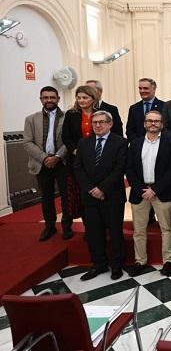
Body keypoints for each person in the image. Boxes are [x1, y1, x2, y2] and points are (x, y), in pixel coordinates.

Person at [74, 110, 128, 281]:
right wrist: (91, 189)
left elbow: (120, 169)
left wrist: (102, 189)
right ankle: (98, 264)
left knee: (115, 233)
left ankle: (117, 266)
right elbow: (78, 168)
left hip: (112, 196)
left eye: (101, 122)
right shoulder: (83, 143)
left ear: (110, 124)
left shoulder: (121, 143)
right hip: (90, 197)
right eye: (94, 122)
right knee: (93, 232)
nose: (97, 125)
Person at [125, 110, 171, 277]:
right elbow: (129, 169)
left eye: (156, 121)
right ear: (144, 123)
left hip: (161, 192)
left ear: (162, 124)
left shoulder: (170, 143)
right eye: (149, 120)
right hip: (140, 193)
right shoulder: (135, 144)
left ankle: (168, 261)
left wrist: (155, 189)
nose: (153, 123)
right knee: (139, 230)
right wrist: (143, 189)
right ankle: (140, 261)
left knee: (166, 229)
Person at [24, 86, 72, 241]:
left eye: (52, 97)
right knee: (46, 197)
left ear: (58, 99)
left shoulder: (68, 117)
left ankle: (66, 227)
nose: (49, 100)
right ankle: (49, 227)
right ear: (41, 99)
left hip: (63, 162)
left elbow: (70, 140)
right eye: (46, 97)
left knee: (66, 196)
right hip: (41, 164)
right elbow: (28, 142)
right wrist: (45, 158)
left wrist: (57, 156)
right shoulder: (31, 119)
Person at [62, 85, 98, 223]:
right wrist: (76, 150)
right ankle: (87, 226)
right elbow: (66, 137)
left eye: (85, 97)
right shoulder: (71, 115)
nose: (81, 100)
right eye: (79, 97)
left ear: (93, 98)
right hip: (77, 160)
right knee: (81, 194)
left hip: (97, 159)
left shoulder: (100, 113)